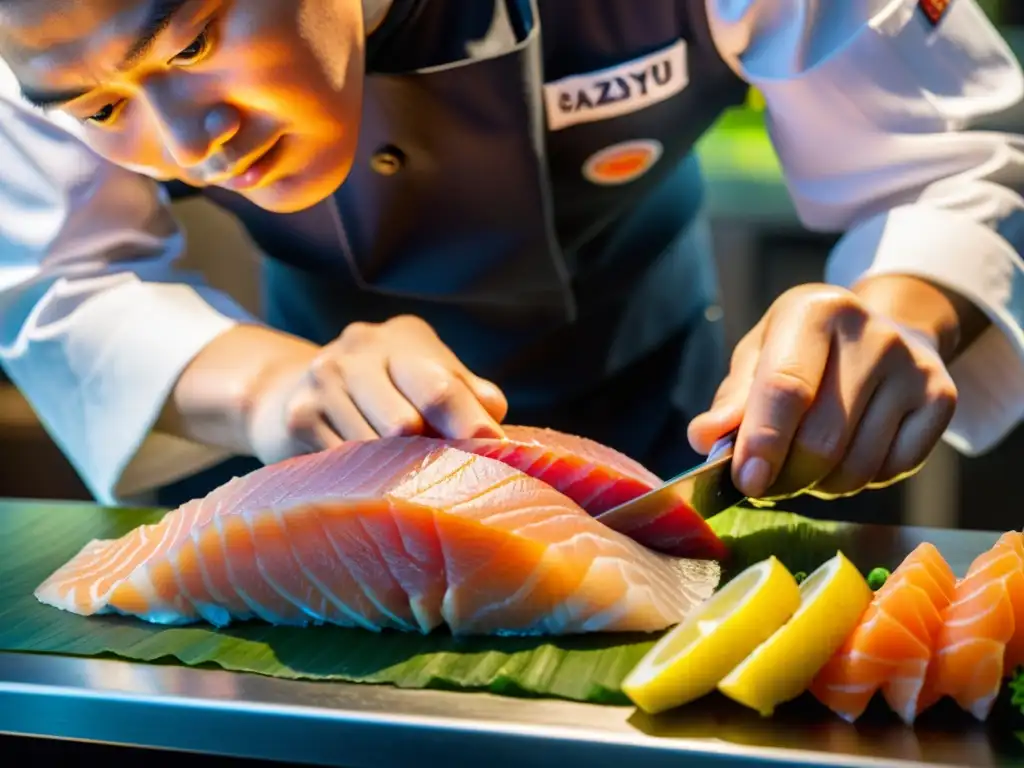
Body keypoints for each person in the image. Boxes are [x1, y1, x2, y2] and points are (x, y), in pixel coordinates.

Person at [0, 0, 1021, 510]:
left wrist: (903, 306)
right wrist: (281, 389)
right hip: (311, 475)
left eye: (191, 43)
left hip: (676, 426)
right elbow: (62, 279)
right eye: (100, 105)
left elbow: (956, 155)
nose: (187, 143)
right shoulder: (44, 32)